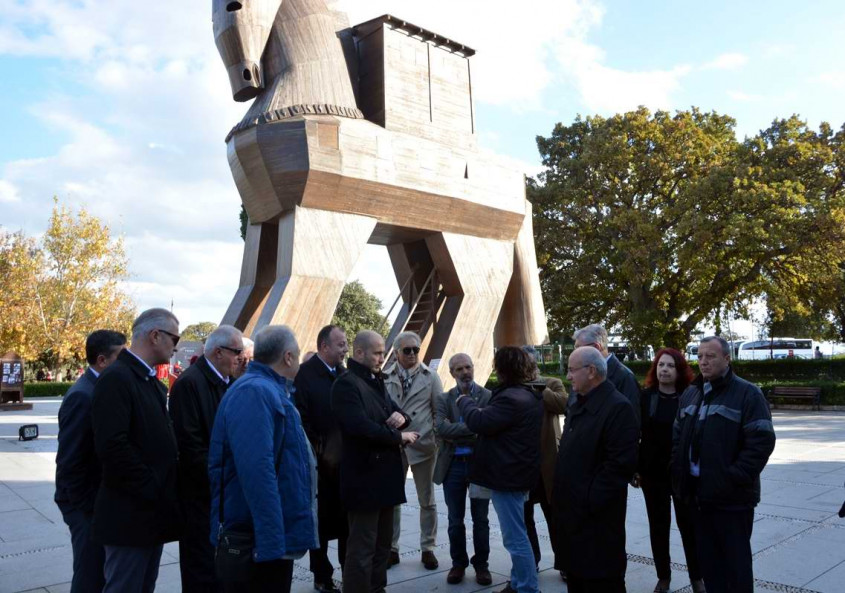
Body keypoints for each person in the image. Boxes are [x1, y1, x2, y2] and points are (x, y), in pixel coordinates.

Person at [208, 325, 317, 593]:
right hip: (256, 539)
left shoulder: (270, 390)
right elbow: (257, 471)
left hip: (269, 534)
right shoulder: (255, 392)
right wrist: (271, 541)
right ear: (289, 357)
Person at [672, 336, 776, 593]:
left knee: (736, 568)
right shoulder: (691, 393)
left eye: (711, 356)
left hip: (732, 501)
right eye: (700, 357)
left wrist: (732, 477)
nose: (704, 362)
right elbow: (677, 438)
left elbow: (761, 442)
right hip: (698, 499)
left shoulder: (747, 394)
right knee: (710, 566)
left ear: (727, 359)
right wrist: (678, 474)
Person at [90, 308, 184, 593]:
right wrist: (152, 485)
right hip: (128, 516)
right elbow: (113, 447)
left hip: (150, 514)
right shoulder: (117, 378)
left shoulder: (148, 380)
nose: (175, 347)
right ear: (155, 336)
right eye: (174, 338)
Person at [331, 330, 419, 593]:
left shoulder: (375, 380)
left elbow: (399, 411)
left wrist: (402, 419)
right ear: (359, 353)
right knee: (362, 548)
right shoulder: (346, 384)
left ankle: (377, 588)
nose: (383, 358)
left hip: (385, 479)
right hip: (364, 479)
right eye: (378, 353)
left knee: (382, 545)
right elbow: (360, 427)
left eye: (384, 352)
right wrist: (398, 436)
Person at [457, 346, 543, 593]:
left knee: (515, 538)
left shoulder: (511, 397)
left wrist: (464, 401)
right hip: (518, 472)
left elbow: (479, 422)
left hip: (508, 476)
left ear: (504, 369)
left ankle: (527, 587)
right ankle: (517, 583)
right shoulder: (527, 394)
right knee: (519, 532)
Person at [554, 346, 639, 593]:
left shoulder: (617, 407)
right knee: (578, 578)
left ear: (591, 371)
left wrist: (588, 499)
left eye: (572, 370)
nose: (568, 376)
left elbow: (619, 466)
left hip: (596, 520)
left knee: (601, 581)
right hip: (573, 517)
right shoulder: (579, 402)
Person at [169, 324, 244, 593]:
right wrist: (226, 477)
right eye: (237, 352)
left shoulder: (232, 384)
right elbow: (190, 448)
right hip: (201, 496)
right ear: (218, 352)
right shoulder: (189, 384)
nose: (241, 358)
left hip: (225, 496)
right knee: (200, 569)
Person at [55, 329, 126, 593]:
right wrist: (87, 509)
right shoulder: (82, 396)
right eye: (121, 356)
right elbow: (69, 461)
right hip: (83, 505)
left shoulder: (101, 389)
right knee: (89, 573)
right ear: (102, 361)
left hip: (94, 502)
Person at [632, 348, 703, 593]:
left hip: (681, 473)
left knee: (689, 527)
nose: (664, 369)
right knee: (658, 527)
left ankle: (697, 577)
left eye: (670, 366)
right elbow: (636, 435)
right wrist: (636, 469)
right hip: (652, 475)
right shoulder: (646, 397)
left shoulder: (691, 396)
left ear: (679, 370)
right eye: (661, 365)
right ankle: (664, 577)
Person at [294, 325, 350, 592]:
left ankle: (349, 571)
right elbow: (301, 419)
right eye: (340, 344)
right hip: (319, 467)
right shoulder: (303, 376)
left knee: (346, 524)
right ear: (324, 346)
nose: (345, 349)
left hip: (345, 466)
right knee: (321, 528)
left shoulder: (344, 374)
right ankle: (322, 576)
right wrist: (319, 451)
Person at [383, 331, 443, 569]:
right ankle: (392, 548)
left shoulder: (431, 377)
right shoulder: (385, 376)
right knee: (392, 500)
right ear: (397, 352)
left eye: (416, 350)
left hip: (423, 446)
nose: (412, 354)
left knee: (427, 500)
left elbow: (439, 410)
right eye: (407, 350)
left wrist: (434, 437)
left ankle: (428, 547)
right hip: (395, 445)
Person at [433, 353, 492, 586]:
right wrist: (471, 427)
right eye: (459, 369)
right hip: (453, 467)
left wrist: (455, 429)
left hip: (480, 466)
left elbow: (486, 428)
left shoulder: (487, 396)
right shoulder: (443, 399)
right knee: (455, 520)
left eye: (468, 367)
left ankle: (482, 566)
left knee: (481, 520)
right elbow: (439, 428)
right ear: (452, 373)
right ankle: (458, 564)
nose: (465, 372)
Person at [521, 345, 567, 578]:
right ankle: (532, 561)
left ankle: (565, 563)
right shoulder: (514, 386)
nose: (528, 368)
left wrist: (539, 388)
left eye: (530, 363)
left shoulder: (551, 383)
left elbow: (563, 404)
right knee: (525, 518)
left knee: (556, 517)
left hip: (549, 464)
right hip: (524, 466)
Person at [570, 324, 641, 425]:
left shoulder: (624, 377)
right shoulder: (580, 372)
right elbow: (570, 409)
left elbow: (631, 422)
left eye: (578, 348)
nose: (575, 352)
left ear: (596, 347)